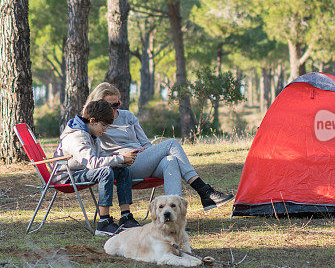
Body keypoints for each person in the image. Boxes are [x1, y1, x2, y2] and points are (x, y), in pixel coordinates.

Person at [86, 83, 234, 210]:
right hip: (123, 166)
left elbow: (145, 143)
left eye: (116, 104)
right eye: (109, 105)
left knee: (171, 161)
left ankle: (175, 219)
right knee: (172, 143)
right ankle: (204, 191)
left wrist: (147, 151)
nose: (114, 108)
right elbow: (95, 152)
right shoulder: (96, 123)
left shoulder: (128, 116)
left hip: (142, 159)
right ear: (99, 105)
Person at [54, 100, 140, 236]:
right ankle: (104, 223)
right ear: (93, 121)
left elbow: (101, 157)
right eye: (104, 126)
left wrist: (122, 160)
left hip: (80, 171)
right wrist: (120, 158)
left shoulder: (91, 135)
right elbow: (93, 163)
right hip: (66, 177)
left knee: (122, 169)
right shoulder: (77, 136)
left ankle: (125, 217)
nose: (105, 130)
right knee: (105, 172)